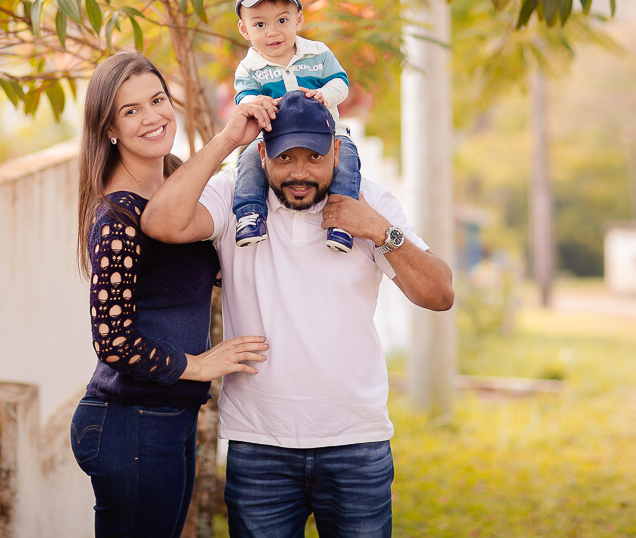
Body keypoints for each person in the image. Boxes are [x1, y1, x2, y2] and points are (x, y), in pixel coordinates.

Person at [142, 90, 455, 538]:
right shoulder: (236, 200)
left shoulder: (369, 203)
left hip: (356, 442)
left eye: (315, 157)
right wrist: (228, 139)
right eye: (286, 157)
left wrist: (378, 229)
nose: (301, 173)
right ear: (263, 154)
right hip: (259, 445)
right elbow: (161, 223)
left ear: (338, 151)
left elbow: (439, 293)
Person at [70, 52, 270, 538]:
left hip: (164, 416)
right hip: (130, 420)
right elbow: (112, 339)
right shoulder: (116, 217)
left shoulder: (177, 182)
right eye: (130, 110)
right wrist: (199, 365)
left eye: (157, 99)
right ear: (110, 129)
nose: (153, 116)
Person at [229, 0, 360, 253]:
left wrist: (325, 94)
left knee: (346, 157)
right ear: (244, 29)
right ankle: (249, 213)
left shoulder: (318, 53)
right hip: (274, 137)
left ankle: (342, 220)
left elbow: (341, 82)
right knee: (250, 158)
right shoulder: (249, 67)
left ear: (298, 19)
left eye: (282, 21)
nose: (273, 32)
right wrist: (255, 103)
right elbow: (244, 97)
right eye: (260, 24)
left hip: (327, 131)